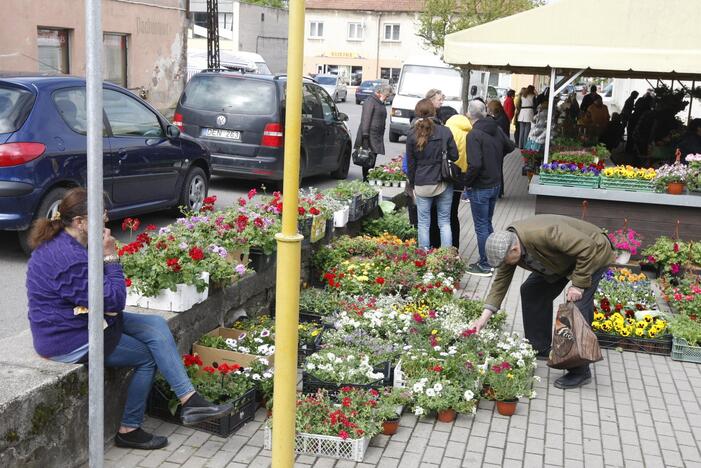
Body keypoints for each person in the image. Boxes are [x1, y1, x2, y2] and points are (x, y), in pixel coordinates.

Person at [25, 188, 233, 450]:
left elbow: (99, 296)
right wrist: (111, 256)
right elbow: (114, 300)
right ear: (80, 222)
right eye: (100, 214)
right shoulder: (69, 258)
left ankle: (189, 401)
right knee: (146, 357)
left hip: (80, 321)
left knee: (156, 324)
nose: (106, 218)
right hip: (66, 339)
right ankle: (129, 428)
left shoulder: (67, 242)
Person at [470, 215, 614, 389]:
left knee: (578, 308)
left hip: (592, 253)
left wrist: (577, 285)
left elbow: (587, 247)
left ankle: (580, 371)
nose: (504, 265)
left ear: (515, 250)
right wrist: (483, 318)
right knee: (531, 291)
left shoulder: (544, 233)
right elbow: (500, 284)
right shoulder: (508, 245)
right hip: (561, 260)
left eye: (505, 261)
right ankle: (540, 347)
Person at [464, 100, 515, 276]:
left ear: (469, 114)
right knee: (487, 223)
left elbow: (475, 164)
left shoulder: (474, 134)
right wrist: (495, 156)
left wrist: (466, 182)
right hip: (495, 183)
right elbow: (510, 146)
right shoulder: (496, 128)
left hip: (481, 186)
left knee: (481, 226)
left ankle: (485, 264)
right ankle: (494, 259)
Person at [406, 98, 458, 249]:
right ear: (434, 111)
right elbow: (455, 156)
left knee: (423, 223)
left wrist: (413, 184)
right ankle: (447, 258)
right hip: (442, 181)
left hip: (422, 183)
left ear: (417, 113)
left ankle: (423, 256)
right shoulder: (445, 131)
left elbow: (411, 164)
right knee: (444, 222)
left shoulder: (412, 134)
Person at [445, 112, 472, 246]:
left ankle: (444, 244)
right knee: (454, 213)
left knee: (444, 214)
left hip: (448, 175)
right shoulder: (470, 133)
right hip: (461, 177)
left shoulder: (448, 131)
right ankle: (455, 246)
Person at [355, 83, 392, 181]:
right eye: (386, 96)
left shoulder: (378, 102)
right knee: (367, 159)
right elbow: (366, 119)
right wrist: (365, 136)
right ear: (380, 92)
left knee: (371, 158)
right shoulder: (370, 101)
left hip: (375, 136)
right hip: (369, 136)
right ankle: (366, 179)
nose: (387, 98)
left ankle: (367, 179)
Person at [487, 100, 511, 197]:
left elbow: (495, 126)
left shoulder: (501, 119)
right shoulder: (502, 116)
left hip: (500, 147)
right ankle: (499, 191)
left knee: (497, 169)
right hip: (502, 146)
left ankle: (498, 191)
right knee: (498, 168)